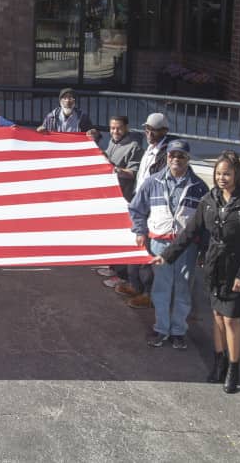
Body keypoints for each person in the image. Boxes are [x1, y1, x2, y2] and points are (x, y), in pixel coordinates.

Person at [152, 151, 240, 393]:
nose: (222, 178)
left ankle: (234, 369)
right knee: (217, 318)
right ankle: (219, 363)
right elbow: (189, 232)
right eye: (218, 173)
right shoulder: (208, 200)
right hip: (215, 267)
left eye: (227, 173)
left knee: (231, 319)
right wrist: (167, 255)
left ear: (237, 175)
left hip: (237, 270)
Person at [128, 139, 209, 350]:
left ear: (188, 159)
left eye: (181, 156)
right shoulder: (152, 182)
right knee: (161, 288)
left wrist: (203, 249)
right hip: (159, 244)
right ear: (167, 156)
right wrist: (140, 231)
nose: (176, 159)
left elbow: (206, 222)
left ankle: (178, 331)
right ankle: (161, 329)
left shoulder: (199, 187)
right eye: (172, 155)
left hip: (187, 246)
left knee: (183, 288)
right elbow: (137, 209)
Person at [121, 111, 179, 310]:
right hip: (139, 200)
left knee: (148, 248)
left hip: (152, 206)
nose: (149, 133)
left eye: (153, 130)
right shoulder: (151, 148)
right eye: (147, 129)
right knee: (138, 242)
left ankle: (148, 292)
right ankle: (135, 284)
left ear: (164, 131)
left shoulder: (167, 153)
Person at [97, 115, 145, 297]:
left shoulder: (134, 147)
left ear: (126, 127)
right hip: (110, 198)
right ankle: (112, 265)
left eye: (118, 128)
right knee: (110, 234)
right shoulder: (112, 142)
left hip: (124, 199)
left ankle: (122, 275)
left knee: (122, 237)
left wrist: (114, 169)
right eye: (112, 128)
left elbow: (132, 174)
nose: (115, 132)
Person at [36, 88, 100, 141]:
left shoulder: (83, 118)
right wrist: (39, 131)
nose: (68, 101)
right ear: (60, 101)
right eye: (65, 98)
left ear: (74, 102)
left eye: (71, 98)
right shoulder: (51, 117)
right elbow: (42, 134)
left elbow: (95, 137)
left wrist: (94, 134)